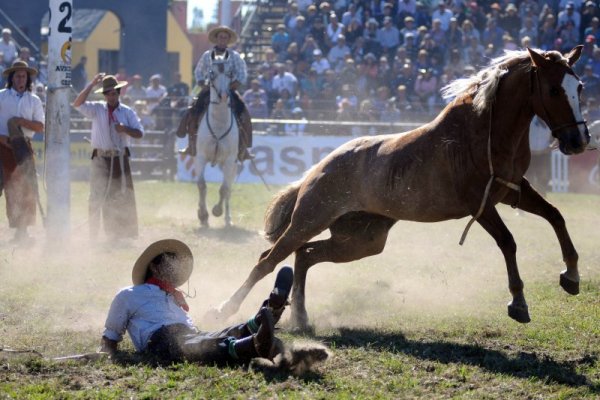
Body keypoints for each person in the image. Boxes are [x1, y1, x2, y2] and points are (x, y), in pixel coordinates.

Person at [99, 239, 294, 365]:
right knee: (200, 344)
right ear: (154, 267)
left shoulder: (174, 296)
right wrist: (108, 352)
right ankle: (253, 344)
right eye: (169, 261)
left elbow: (190, 331)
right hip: (159, 340)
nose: (175, 266)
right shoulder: (129, 294)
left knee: (212, 336)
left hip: (188, 334)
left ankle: (263, 317)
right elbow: (111, 336)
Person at [72, 73, 144, 241]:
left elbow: (139, 133)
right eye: (109, 93)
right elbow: (77, 103)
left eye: (114, 93)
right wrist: (91, 84)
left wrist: (124, 129)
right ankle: (93, 235)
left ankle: (117, 235)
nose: (112, 96)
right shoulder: (97, 108)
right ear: (104, 95)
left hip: (119, 157)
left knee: (120, 195)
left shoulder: (127, 112)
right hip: (100, 158)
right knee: (95, 197)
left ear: (118, 93)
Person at [178, 26, 253, 161]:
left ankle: (244, 148)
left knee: (244, 112)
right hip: (210, 89)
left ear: (228, 40)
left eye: (225, 37)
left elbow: (242, 73)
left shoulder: (235, 56)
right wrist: (203, 84)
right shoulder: (207, 55)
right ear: (216, 39)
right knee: (192, 110)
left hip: (230, 89)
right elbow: (198, 72)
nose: (222, 40)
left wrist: (233, 86)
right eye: (220, 37)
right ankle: (191, 144)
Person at [0, 61, 45, 243]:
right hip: (2, 145)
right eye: (17, 76)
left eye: (24, 76)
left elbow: (40, 126)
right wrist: (1, 138)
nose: (21, 79)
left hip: (24, 146)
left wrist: (21, 121)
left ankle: (22, 231)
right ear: (12, 78)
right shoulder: (1, 97)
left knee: (25, 189)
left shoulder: (33, 100)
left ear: (28, 79)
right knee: (6, 188)